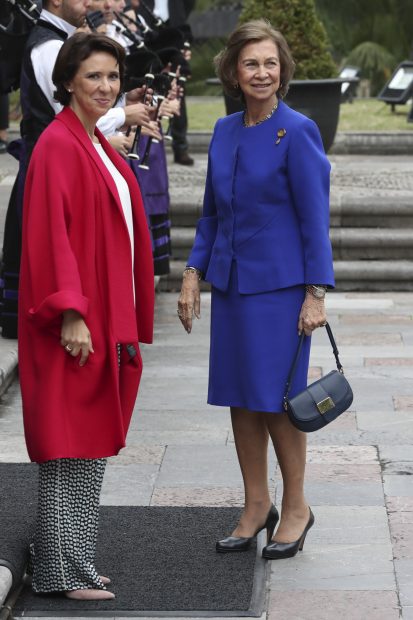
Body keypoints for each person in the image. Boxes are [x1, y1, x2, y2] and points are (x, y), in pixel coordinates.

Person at [178, 20, 334, 560]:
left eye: (270, 63)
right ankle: (255, 505)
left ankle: (296, 507)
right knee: (242, 399)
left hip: (284, 291)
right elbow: (210, 215)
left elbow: (315, 220)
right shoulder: (223, 132)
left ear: (283, 69)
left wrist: (316, 292)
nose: (261, 72)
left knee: (280, 402)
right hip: (235, 288)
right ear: (233, 71)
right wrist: (193, 273)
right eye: (251, 64)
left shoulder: (299, 130)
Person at [19, 32, 154, 599]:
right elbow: (52, 238)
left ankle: (71, 561)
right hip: (72, 322)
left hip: (99, 313)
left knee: (87, 442)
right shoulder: (56, 144)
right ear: (69, 80)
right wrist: (71, 312)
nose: (106, 86)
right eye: (94, 76)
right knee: (70, 444)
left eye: (113, 77)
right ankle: (58, 571)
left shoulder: (93, 141)